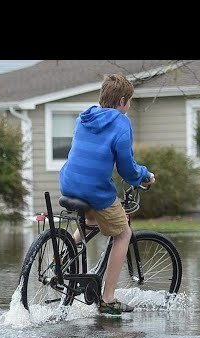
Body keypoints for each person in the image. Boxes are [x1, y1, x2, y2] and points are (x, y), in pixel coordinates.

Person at [59, 73, 156, 315]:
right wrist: (145, 176)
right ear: (122, 100)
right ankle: (108, 298)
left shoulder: (86, 116)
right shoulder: (121, 123)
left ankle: (63, 259)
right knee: (123, 233)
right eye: (130, 101)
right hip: (94, 190)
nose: (129, 106)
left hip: (69, 184)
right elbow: (127, 168)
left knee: (92, 220)